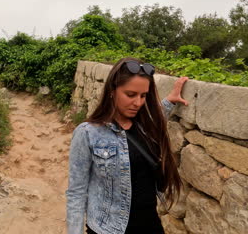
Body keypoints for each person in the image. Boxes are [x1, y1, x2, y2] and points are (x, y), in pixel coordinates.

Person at [66, 57, 189, 234]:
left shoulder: (146, 125)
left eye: (143, 95)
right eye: (130, 95)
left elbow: (158, 115)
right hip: (108, 229)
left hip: (150, 225)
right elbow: (76, 193)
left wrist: (170, 100)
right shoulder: (87, 133)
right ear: (112, 91)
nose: (138, 103)